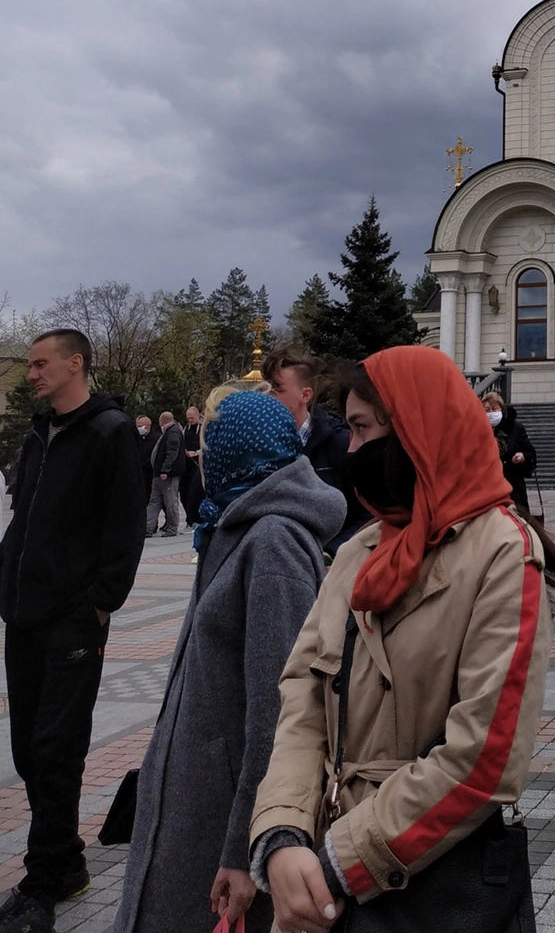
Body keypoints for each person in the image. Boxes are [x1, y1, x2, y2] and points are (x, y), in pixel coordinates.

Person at [249, 347, 555, 933]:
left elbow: (484, 757)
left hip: (427, 879)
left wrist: (340, 860)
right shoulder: (360, 550)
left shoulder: (503, 552)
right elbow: (304, 699)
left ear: (416, 429)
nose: (352, 450)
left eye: (363, 429)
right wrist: (284, 835)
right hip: (322, 868)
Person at [114, 386, 346, 933]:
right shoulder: (233, 526)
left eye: (212, 439)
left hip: (222, 823)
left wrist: (247, 850)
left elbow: (279, 713)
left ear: (237, 449)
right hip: (197, 804)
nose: (203, 452)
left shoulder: (272, 542)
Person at [0, 330, 144, 931]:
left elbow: (124, 527)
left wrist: (99, 605)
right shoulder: (40, 435)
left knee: (58, 750)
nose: (31, 373)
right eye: (29, 364)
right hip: (24, 617)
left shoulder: (110, 433)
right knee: (30, 749)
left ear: (74, 363)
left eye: (40, 363)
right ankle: (66, 862)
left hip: (72, 622)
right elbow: (24, 518)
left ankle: (42, 884)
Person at [262, 345, 367, 547]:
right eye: (265, 389)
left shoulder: (341, 444)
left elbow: (367, 515)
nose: (267, 397)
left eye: (276, 389)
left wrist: (331, 554)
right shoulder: (260, 446)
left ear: (305, 395)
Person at [481, 390, 537, 510]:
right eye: (487, 410)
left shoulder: (515, 428)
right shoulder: (478, 430)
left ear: (501, 409)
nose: (491, 413)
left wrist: (522, 457)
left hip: (512, 485)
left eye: (494, 408)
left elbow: (530, 452)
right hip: (487, 488)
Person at [146, 411, 185, 537]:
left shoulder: (172, 433)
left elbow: (172, 453)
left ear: (161, 421)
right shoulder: (169, 433)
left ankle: (172, 528)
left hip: (167, 475)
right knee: (155, 501)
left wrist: (165, 470)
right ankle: (148, 527)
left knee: (170, 501)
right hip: (159, 474)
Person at [180, 406, 203, 527]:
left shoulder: (204, 428)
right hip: (186, 464)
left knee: (195, 493)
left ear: (198, 415)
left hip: (197, 463)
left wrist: (196, 453)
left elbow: (206, 445)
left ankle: (197, 519)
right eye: (188, 418)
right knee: (184, 492)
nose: (190, 420)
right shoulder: (186, 429)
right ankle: (189, 519)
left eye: (192, 418)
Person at [134, 415, 155, 502]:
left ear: (148, 426)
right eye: (137, 426)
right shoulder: (135, 438)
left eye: (140, 426)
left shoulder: (155, 439)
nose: (139, 428)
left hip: (149, 474)